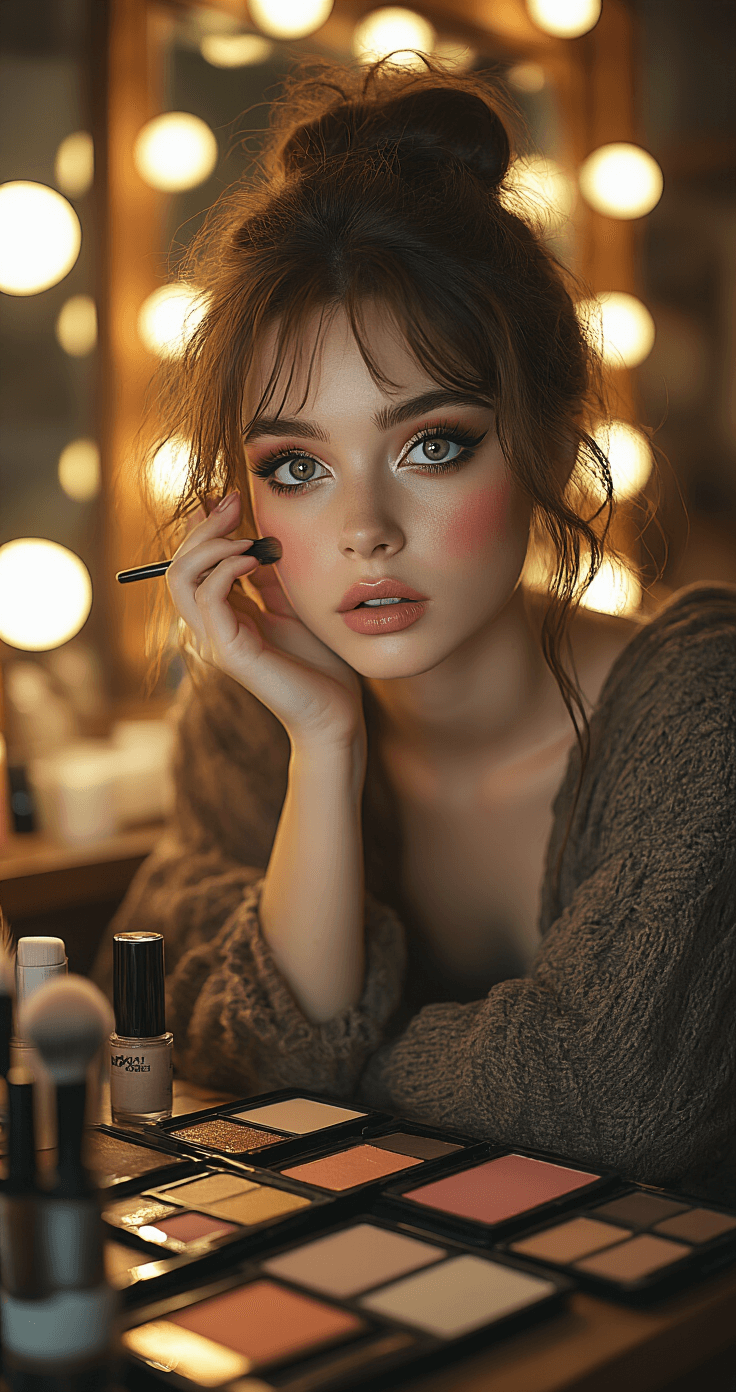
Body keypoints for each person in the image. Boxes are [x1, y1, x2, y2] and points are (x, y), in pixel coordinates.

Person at [97, 60, 735, 1205]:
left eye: (430, 444)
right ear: (238, 503)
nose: (363, 532)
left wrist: (349, 1060)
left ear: (545, 434)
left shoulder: (704, 708)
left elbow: (612, 1106)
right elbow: (178, 1011)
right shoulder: (252, 719)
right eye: (297, 466)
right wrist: (322, 741)